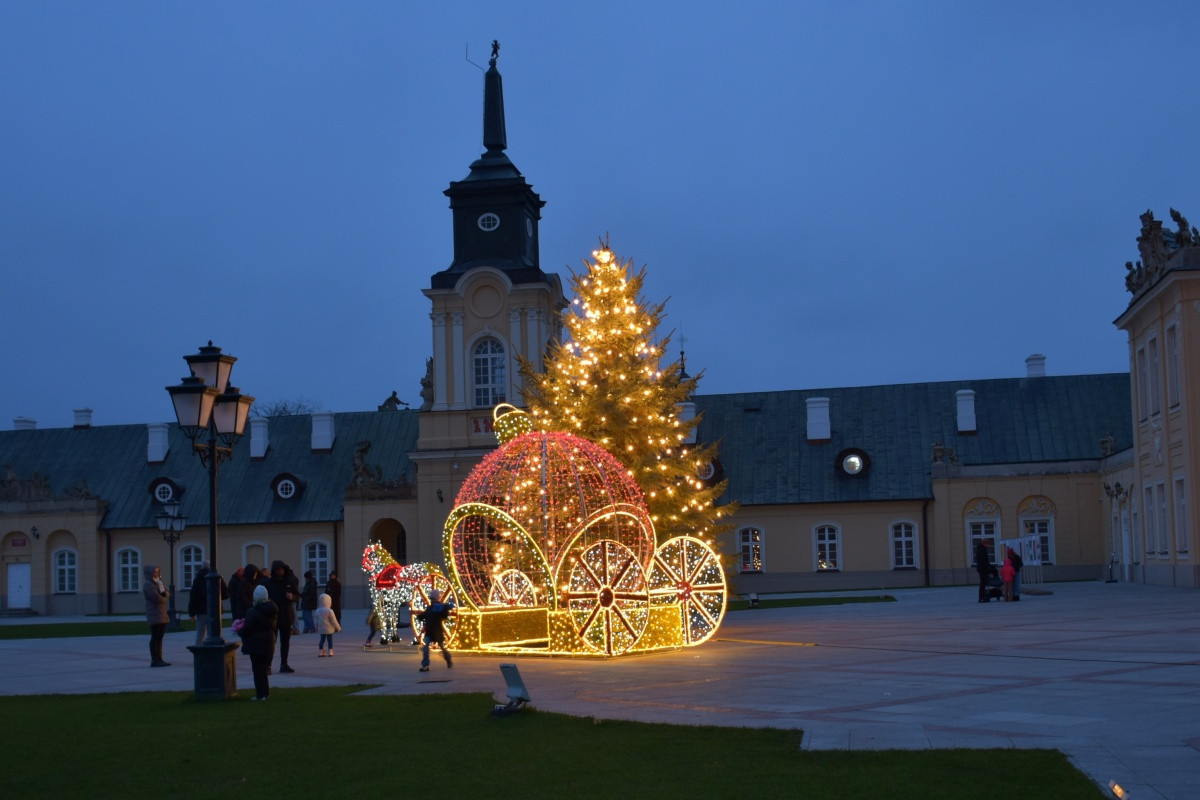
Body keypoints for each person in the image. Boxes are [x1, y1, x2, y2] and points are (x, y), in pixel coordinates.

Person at [239, 584, 278, 700]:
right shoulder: (272, 610)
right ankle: (266, 693)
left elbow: (247, 629)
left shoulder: (252, 611)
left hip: (255, 645)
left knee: (257, 671)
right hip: (268, 643)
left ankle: (260, 695)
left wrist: (239, 630)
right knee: (264, 670)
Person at [266, 560, 299, 673]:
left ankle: (284, 664)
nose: (280, 571)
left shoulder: (289, 581)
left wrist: (292, 597)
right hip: (273, 616)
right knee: (271, 642)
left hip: (286, 616)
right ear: (274, 570)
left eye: (282, 569)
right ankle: (268, 665)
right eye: (278, 569)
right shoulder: (268, 583)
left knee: (285, 642)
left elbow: (297, 595)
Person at [187, 562, 228, 645]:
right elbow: (226, 594)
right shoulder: (218, 577)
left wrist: (191, 613)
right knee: (216, 634)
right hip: (215, 610)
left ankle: (199, 651)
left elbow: (193, 597)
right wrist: (217, 598)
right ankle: (215, 650)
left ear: (202, 567)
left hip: (201, 610)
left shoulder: (197, 578)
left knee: (200, 635)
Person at [415, 589, 454, 672]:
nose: (431, 600)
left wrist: (419, 616)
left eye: (432, 599)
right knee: (430, 648)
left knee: (429, 648)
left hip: (434, 631)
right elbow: (443, 615)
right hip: (434, 631)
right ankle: (446, 659)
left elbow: (427, 615)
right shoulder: (436, 607)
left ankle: (427, 665)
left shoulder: (434, 608)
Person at [142, 564, 170, 667]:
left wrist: (165, 595)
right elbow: (158, 598)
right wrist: (165, 598)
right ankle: (154, 660)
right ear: (150, 573)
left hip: (162, 613)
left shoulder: (159, 582)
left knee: (160, 637)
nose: (157, 573)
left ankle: (160, 658)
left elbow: (166, 593)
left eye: (158, 571)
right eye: (155, 571)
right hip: (154, 614)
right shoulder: (148, 585)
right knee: (155, 637)